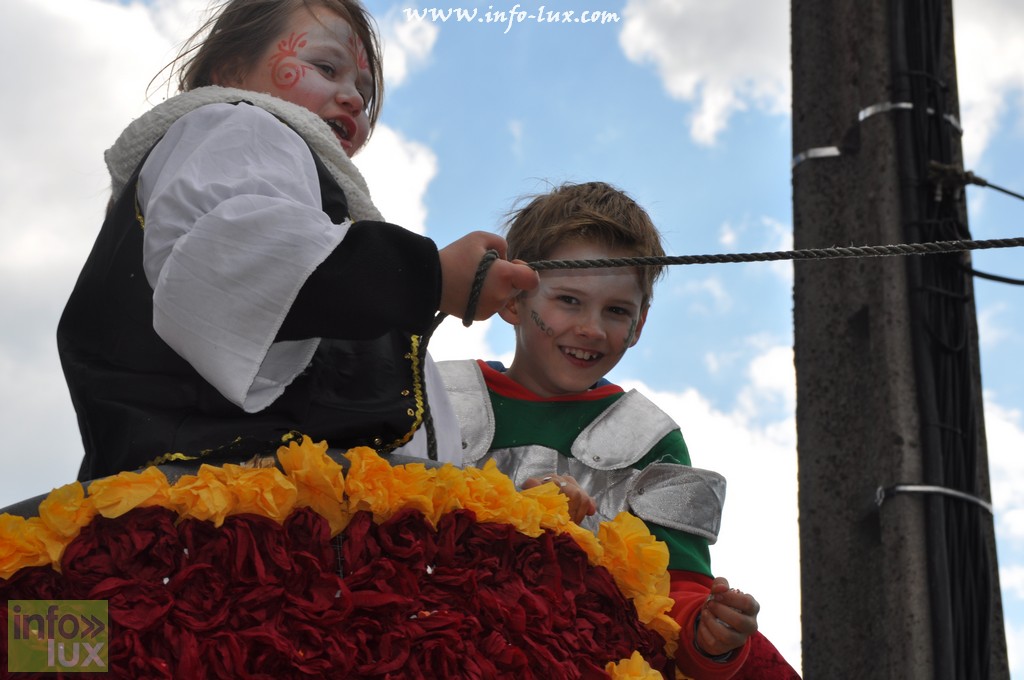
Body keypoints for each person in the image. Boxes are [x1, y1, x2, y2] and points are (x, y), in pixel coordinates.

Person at [57, 0, 538, 481]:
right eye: (326, 68)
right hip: (219, 508)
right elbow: (241, 258)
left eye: (364, 91)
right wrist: (427, 275)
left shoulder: (330, 223)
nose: (353, 99)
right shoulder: (238, 125)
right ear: (232, 72)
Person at [439, 181, 800, 679]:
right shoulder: (435, 394)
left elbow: (677, 593)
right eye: (569, 300)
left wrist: (709, 633)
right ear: (513, 300)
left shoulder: (651, 440)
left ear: (640, 324)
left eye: (616, 311)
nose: (592, 328)